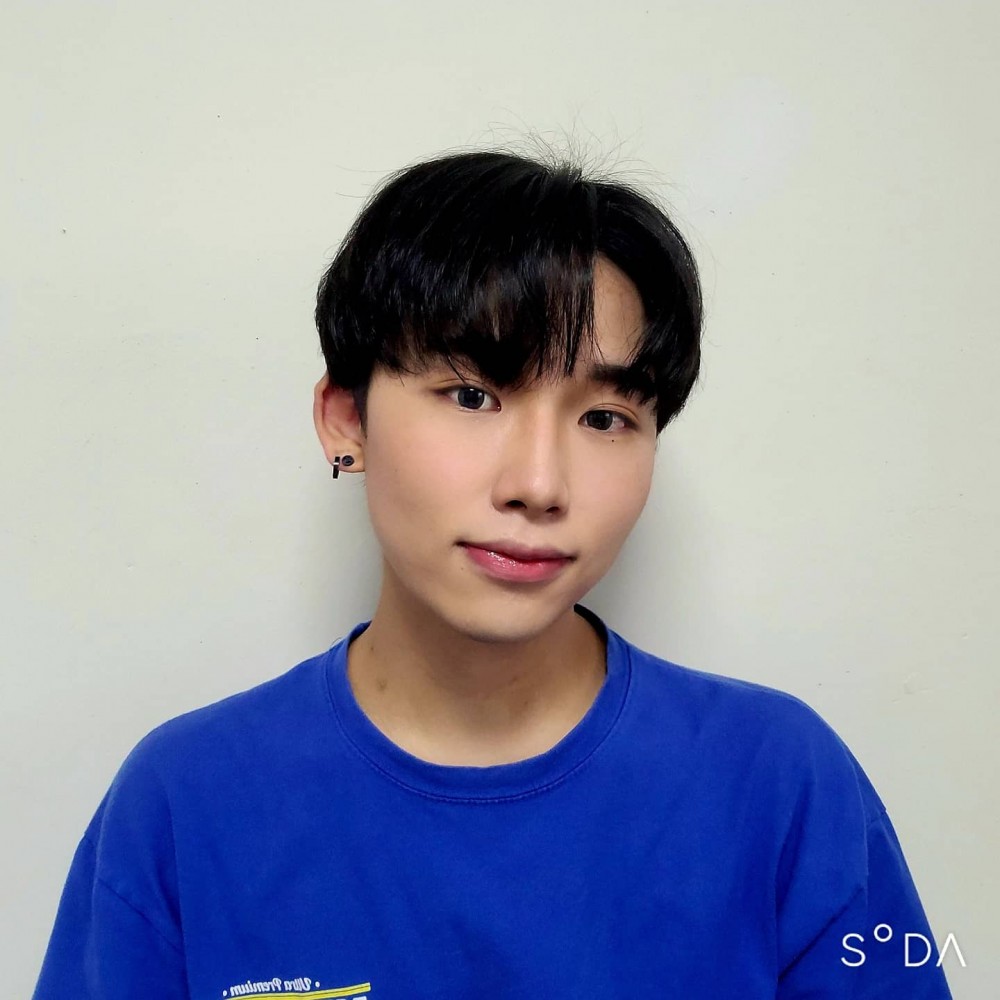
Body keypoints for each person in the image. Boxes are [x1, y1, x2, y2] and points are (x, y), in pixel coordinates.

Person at [33, 147, 953, 999]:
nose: (539, 485)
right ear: (347, 420)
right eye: (472, 395)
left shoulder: (780, 783)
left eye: (605, 419)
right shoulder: (186, 800)